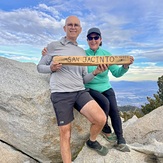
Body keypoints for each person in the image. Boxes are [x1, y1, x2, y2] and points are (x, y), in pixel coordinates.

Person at [37, 16, 109, 163]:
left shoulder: (82, 52)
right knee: (65, 134)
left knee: (101, 118)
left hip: (79, 91)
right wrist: (51, 67)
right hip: (61, 94)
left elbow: (83, 79)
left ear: (80, 30)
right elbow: (39, 67)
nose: (73, 27)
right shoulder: (53, 46)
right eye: (70, 24)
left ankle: (92, 140)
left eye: (76, 25)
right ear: (65, 28)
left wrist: (95, 72)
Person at [84, 27, 134, 152]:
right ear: (87, 40)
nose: (93, 40)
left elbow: (116, 73)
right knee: (104, 103)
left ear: (100, 40)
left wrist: (125, 66)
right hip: (90, 87)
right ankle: (105, 128)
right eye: (90, 38)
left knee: (115, 111)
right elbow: (81, 75)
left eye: (96, 38)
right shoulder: (83, 55)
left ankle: (121, 138)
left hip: (106, 86)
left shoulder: (107, 55)